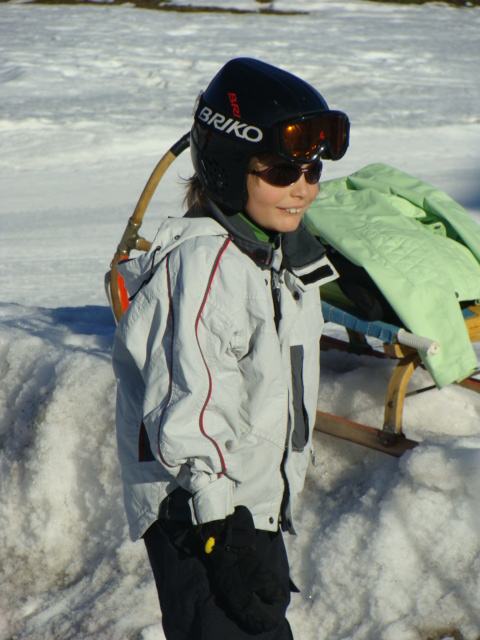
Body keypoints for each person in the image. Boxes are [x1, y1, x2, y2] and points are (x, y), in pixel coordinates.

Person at [112, 57, 349, 640]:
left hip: (247, 505)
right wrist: (219, 529)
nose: (303, 188)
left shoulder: (275, 258)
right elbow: (194, 401)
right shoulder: (206, 264)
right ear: (227, 169)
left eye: (312, 170)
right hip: (200, 511)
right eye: (282, 171)